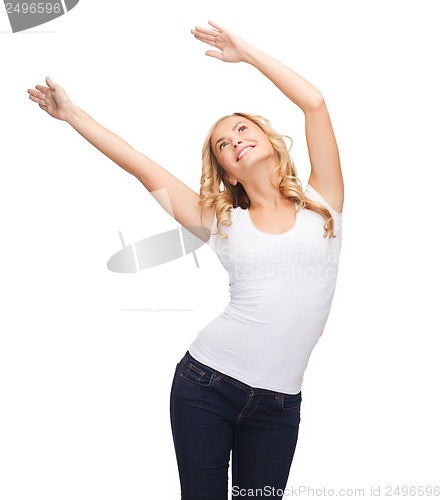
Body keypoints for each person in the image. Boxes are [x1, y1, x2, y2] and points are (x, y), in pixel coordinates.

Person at [28, 20, 344, 500]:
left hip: (280, 407)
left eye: (242, 128)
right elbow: (139, 164)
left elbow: (314, 103)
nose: (235, 139)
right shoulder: (218, 221)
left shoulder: (325, 203)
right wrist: (72, 115)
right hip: (205, 387)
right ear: (228, 173)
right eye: (223, 143)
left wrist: (248, 53)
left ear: (269, 141)